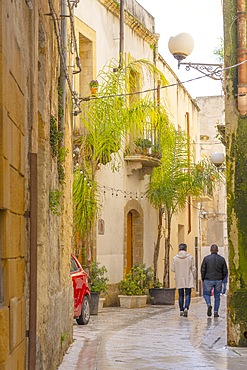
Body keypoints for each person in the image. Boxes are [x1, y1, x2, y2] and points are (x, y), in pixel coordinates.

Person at [201, 244, 228, 318]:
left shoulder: (206, 259)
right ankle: (216, 312)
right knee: (217, 296)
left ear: (210, 250)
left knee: (206, 294)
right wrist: (222, 278)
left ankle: (209, 304)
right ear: (217, 250)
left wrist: (203, 278)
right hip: (218, 279)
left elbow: (203, 269)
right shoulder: (222, 259)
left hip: (208, 279)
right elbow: (225, 270)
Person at [171, 243, 196, 317]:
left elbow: (172, 269)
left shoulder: (175, 258)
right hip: (188, 277)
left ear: (179, 249)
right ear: (186, 249)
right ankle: (186, 307)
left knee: (180, 294)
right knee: (188, 294)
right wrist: (192, 275)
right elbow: (193, 268)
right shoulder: (190, 257)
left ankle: (181, 309)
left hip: (179, 278)